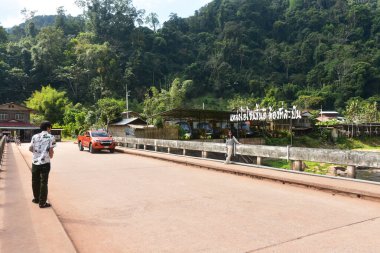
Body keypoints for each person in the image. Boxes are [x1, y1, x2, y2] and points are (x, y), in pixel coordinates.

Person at [29, 121, 56, 208]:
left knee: (35, 181)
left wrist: (36, 154)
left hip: (35, 162)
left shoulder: (35, 136)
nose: (50, 129)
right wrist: (50, 155)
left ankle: (36, 199)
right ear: (48, 128)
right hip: (45, 163)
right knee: (44, 182)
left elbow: (30, 148)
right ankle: (42, 203)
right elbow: (51, 151)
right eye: (50, 128)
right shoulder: (51, 137)